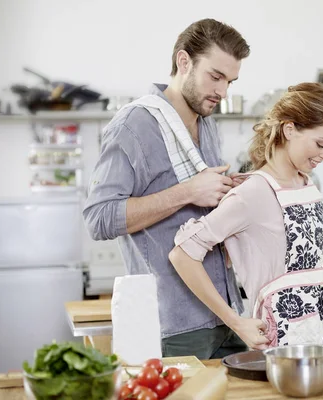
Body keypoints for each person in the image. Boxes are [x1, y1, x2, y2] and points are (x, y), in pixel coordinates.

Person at [83, 18, 251, 359]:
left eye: (229, 81)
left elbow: (199, 206)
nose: (222, 92)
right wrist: (188, 192)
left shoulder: (208, 125)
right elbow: (98, 219)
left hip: (226, 315)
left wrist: (225, 191)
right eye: (215, 76)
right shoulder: (133, 125)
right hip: (175, 325)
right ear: (183, 61)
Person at [169, 82, 323, 350]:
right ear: (290, 130)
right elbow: (182, 255)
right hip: (283, 353)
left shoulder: (307, 185)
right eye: (321, 144)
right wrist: (236, 322)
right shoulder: (253, 192)